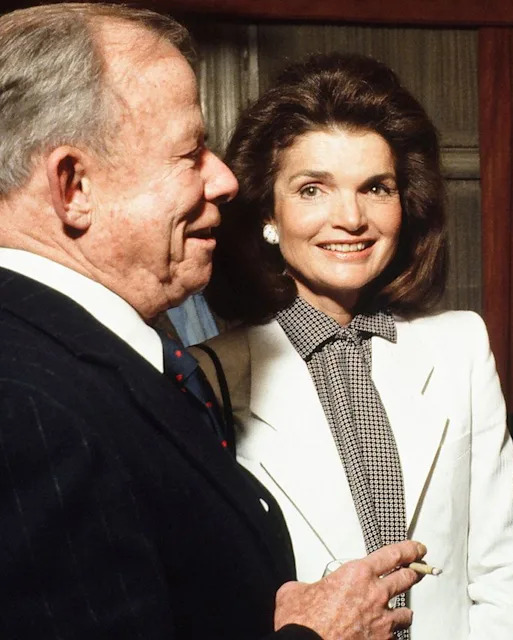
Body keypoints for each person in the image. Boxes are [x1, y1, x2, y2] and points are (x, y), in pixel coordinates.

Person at [0, 4, 425, 638]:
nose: (225, 180)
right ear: (74, 186)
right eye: (190, 152)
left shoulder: (90, 362)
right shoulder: (28, 409)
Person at [195, 52, 513, 639]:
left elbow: (504, 570)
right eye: (313, 189)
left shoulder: (461, 348)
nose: (351, 217)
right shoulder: (209, 376)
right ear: (267, 214)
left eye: (375, 188)